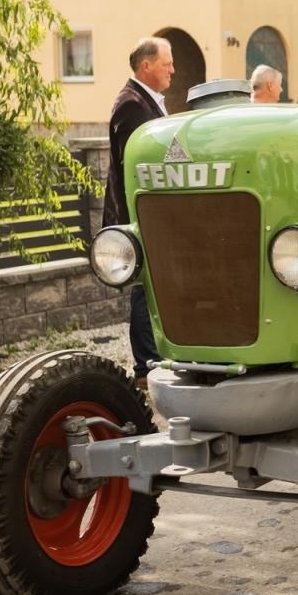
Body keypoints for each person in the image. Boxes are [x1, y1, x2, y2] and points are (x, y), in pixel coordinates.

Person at [105, 36, 173, 387]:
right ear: (146, 66)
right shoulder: (131, 105)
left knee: (156, 285)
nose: (172, 70)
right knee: (146, 287)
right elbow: (137, 166)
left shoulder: (146, 100)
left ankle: (158, 356)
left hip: (153, 213)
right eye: (167, 63)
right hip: (140, 213)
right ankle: (146, 366)